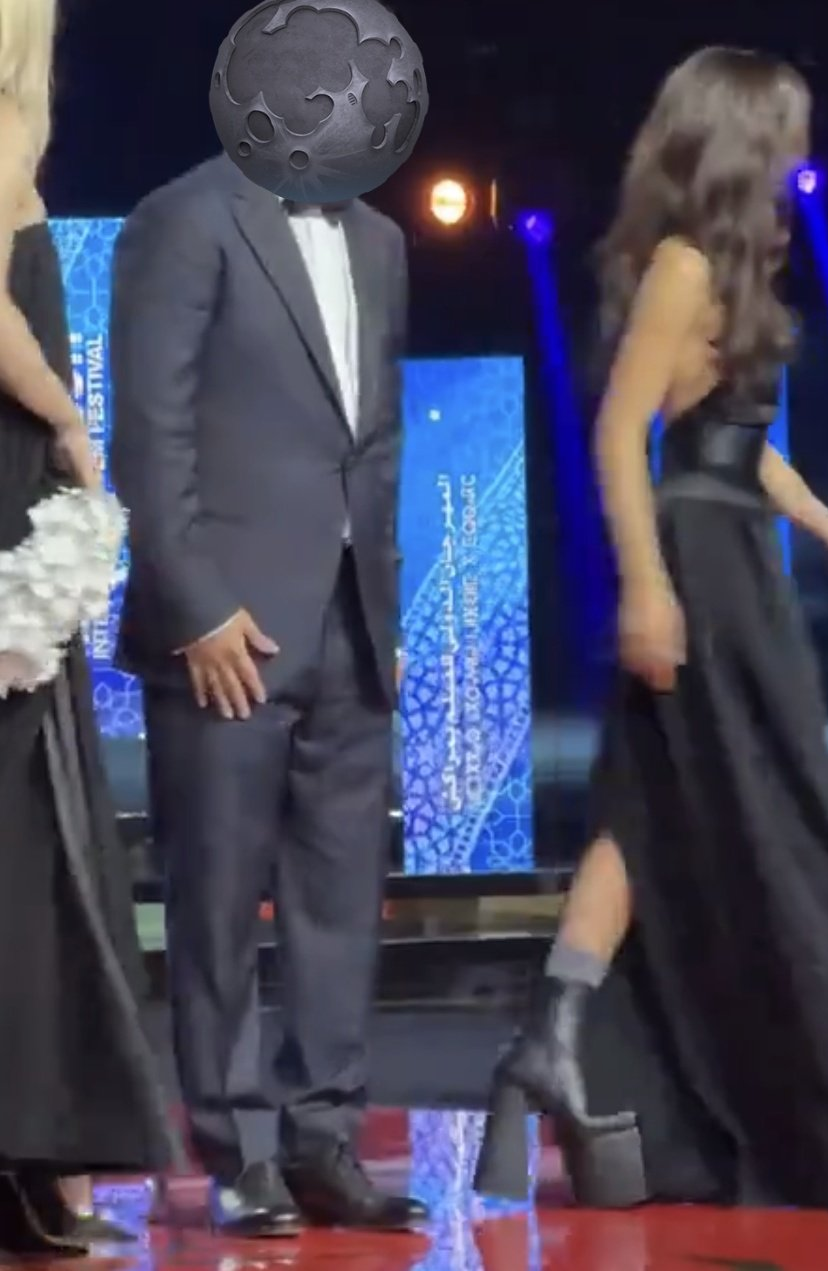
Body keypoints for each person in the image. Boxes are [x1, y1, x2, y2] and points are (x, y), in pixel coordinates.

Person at [475, 46, 828, 1212]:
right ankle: (579, 1040)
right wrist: (646, 584)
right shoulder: (684, 267)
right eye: (785, 129)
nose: (800, 151)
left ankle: (553, 1032)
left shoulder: (732, 268)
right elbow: (618, 432)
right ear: (743, 138)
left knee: (651, 800)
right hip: (697, 561)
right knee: (758, 796)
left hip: (734, 548)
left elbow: (744, 446)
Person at [109, 154, 427, 1236]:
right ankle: (238, 1148)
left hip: (350, 622)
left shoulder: (381, 240)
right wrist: (194, 605)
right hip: (226, 628)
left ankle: (323, 1137)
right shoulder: (184, 216)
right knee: (216, 897)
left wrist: (384, 607)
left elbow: (375, 441)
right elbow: (149, 433)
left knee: (340, 898)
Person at [0, 0, 173, 1256]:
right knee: (27, 814)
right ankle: (34, 1151)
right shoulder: (1, 137)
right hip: (11, 477)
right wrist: (68, 419)